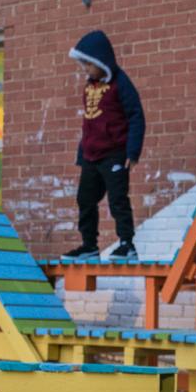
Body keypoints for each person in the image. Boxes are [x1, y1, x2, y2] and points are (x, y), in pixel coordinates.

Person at [64, 30, 145, 260]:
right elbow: (89, 122)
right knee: (85, 199)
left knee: (117, 198)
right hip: (91, 156)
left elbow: (136, 115)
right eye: (84, 64)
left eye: (90, 64)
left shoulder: (120, 83)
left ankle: (127, 244)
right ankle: (89, 246)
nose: (86, 69)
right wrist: (82, 152)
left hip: (115, 154)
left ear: (102, 60)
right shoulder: (90, 86)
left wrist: (133, 151)